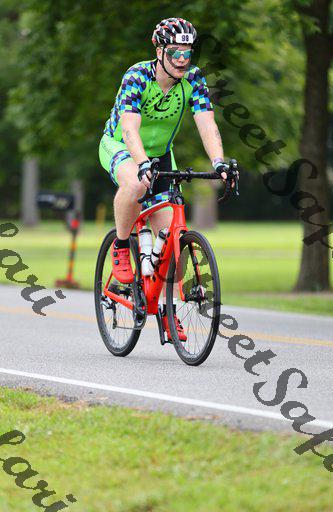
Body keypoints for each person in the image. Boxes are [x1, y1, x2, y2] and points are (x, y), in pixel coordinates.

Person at [99, 17, 236, 341]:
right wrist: (141, 163)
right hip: (121, 146)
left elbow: (207, 124)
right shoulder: (137, 76)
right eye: (175, 52)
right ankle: (121, 245)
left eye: (188, 52)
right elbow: (129, 128)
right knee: (136, 184)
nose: (182, 59)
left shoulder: (194, 80)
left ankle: (167, 309)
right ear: (159, 51)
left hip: (160, 154)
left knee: (171, 238)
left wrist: (219, 162)